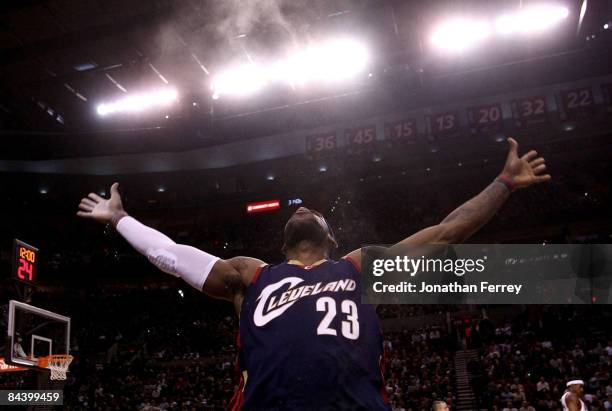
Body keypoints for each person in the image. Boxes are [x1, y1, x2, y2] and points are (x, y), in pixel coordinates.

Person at [77, 138, 550, 410]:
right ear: (284, 241)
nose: (305, 207)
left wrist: (504, 182)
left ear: (332, 238)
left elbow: (447, 233)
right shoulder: (251, 275)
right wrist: (120, 218)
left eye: (316, 210)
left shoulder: (359, 268)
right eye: (299, 209)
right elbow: (173, 256)